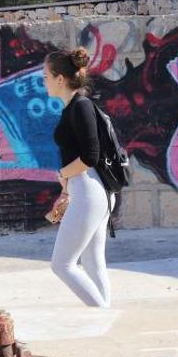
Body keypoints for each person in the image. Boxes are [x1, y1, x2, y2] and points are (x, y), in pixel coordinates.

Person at [44, 47, 113, 308]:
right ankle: (105, 322)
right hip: (89, 190)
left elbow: (90, 156)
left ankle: (103, 315)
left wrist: (62, 174)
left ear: (60, 79)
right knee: (93, 264)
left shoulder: (80, 106)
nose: (44, 82)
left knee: (62, 265)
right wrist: (67, 186)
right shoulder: (73, 107)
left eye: (46, 77)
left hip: (89, 191)